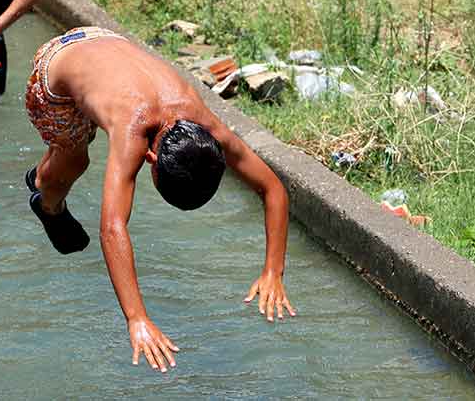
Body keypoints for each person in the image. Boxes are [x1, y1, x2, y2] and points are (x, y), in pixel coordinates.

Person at [24, 27, 294, 372]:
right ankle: (45, 198)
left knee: (76, 150)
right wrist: (136, 319)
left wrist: (274, 270)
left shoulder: (207, 125)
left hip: (100, 38)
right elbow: (112, 226)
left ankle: (47, 174)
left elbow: (272, 189)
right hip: (53, 68)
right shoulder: (133, 131)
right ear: (149, 159)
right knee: (75, 160)